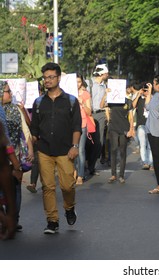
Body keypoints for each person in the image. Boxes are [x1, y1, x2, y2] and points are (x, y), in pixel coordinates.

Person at [30, 62, 82, 234]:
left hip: (66, 151)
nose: (48, 80)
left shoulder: (71, 101)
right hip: (44, 150)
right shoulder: (38, 103)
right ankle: (52, 221)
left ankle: (69, 207)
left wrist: (75, 146)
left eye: (51, 77)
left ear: (59, 78)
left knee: (67, 186)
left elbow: (76, 126)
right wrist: (31, 149)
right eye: (45, 77)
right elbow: (34, 130)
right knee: (48, 187)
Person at [1, 82, 34, 231]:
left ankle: (14, 218)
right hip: (4, 157)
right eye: (7, 91)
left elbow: (25, 131)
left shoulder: (16, 109)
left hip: (15, 154)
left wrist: (30, 150)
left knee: (15, 187)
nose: (10, 94)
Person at [100, 81, 134, 184]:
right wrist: (106, 94)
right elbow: (101, 105)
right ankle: (113, 174)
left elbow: (131, 117)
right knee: (113, 149)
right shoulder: (112, 100)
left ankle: (121, 175)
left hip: (124, 128)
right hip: (113, 127)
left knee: (123, 151)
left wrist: (131, 129)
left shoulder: (128, 101)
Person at [90, 64, 109, 174]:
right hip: (90, 114)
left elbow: (104, 102)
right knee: (88, 141)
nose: (107, 75)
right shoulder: (90, 83)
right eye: (106, 73)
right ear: (102, 73)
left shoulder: (104, 86)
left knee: (99, 142)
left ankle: (92, 166)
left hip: (100, 114)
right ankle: (86, 164)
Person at [0, 121, 17, 240]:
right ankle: (8, 222)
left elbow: (6, 145)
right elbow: (7, 145)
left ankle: (8, 222)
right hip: (4, 168)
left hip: (3, 168)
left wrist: (16, 165)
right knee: (10, 199)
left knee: (9, 199)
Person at [75, 74, 92, 185]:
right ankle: (74, 172)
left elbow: (89, 112)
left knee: (80, 150)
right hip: (69, 126)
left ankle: (80, 175)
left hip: (82, 124)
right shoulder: (67, 94)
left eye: (79, 81)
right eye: (75, 81)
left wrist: (81, 102)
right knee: (72, 150)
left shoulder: (85, 94)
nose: (77, 84)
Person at [131, 82, 153, 170]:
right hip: (141, 124)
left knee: (150, 145)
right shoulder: (139, 98)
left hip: (151, 125)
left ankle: (151, 163)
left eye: (147, 90)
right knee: (143, 144)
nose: (146, 92)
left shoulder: (152, 98)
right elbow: (132, 106)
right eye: (145, 90)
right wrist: (138, 95)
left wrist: (150, 93)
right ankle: (145, 162)